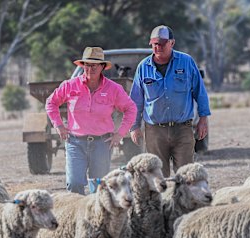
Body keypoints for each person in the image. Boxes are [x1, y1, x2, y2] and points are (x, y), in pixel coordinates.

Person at [46, 46, 137, 194]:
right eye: (87, 65)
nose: (90, 68)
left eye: (95, 65)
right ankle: (78, 215)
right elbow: (51, 103)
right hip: (75, 142)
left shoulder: (113, 89)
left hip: (102, 144)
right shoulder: (70, 85)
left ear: (102, 67)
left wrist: (120, 133)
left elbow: (131, 108)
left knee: (99, 188)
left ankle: (96, 216)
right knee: (74, 184)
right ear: (82, 66)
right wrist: (59, 125)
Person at [130, 25, 211, 177]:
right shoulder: (143, 67)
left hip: (182, 130)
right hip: (154, 131)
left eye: (162, 43)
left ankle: (185, 201)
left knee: (187, 175)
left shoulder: (186, 62)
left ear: (172, 43)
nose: (158, 47)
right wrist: (134, 126)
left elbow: (200, 92)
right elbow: (136, 100)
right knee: (158, 177)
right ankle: (164, 201)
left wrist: (203, 119)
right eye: (155, 43)